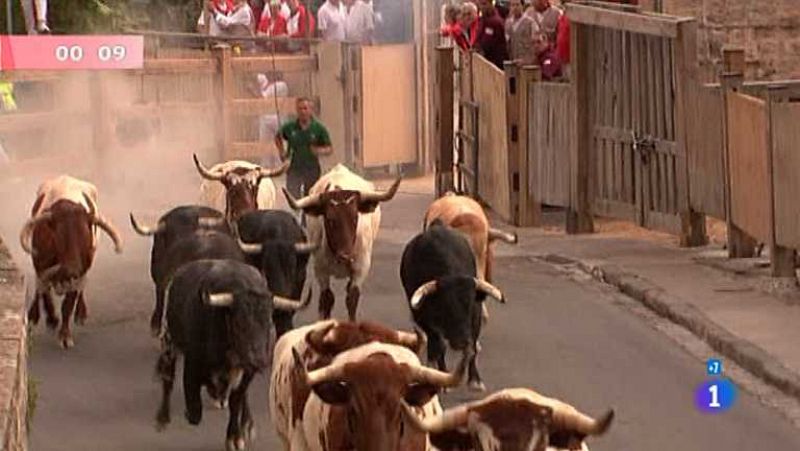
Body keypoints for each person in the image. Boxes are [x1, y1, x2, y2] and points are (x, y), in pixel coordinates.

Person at [275, 98, 333, 203]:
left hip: (311, 168)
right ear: (296, 111)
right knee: (292, 195)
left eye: (305, 108)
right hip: (294, 167)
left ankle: (306, 218)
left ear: (310, 110)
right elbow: (278, 137)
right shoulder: (290, 127)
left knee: (310, 196)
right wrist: (281, 151)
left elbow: (329, 148)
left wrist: (319, 150)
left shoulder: (318, 128)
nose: (303, 111)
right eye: (300, 109)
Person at [476, 0, 509, 69]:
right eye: (480, 4)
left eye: (484, 4)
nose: (482, 7)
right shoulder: (483, 19)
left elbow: (487, 43)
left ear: (491, 4)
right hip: (487, 61)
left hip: (495, 62)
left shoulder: (495, 21)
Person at [506, 0, 537, 65]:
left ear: (522, 6)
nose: (515, 7)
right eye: (513, 5)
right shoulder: (508, 23)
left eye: (517, 5)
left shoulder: (530, 22)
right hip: (513, 60)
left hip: (527, 62)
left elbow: (536, 43)